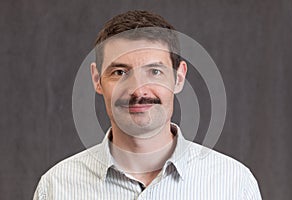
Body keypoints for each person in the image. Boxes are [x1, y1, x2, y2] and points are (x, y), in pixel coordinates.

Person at [33, 10, 262, 199]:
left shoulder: (234, 184)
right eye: (120, 72)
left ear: (179, 77)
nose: (138, 90)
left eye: (155, 71)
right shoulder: (56, 187)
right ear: (97, 79)